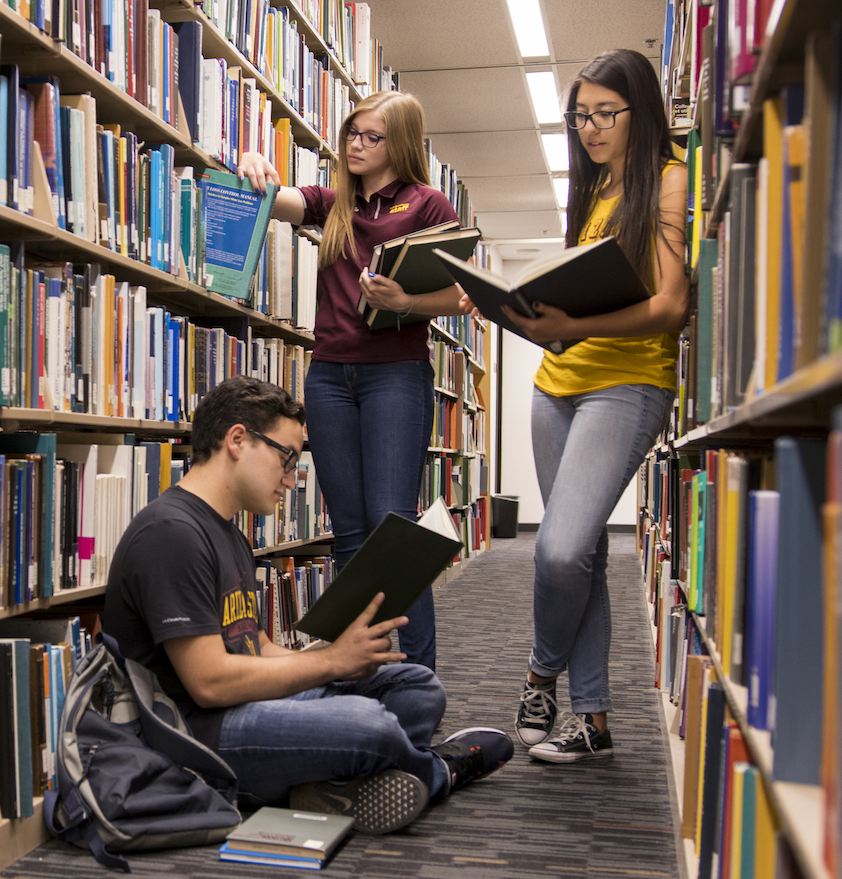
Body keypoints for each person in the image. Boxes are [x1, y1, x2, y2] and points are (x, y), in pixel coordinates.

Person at [101, 376, 513, 834]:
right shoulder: (171, 532)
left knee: (417, 688)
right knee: (367, 725)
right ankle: (439, 771)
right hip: (194, 736)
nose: (293, 477)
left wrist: (334, 661)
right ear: (237, 440)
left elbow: (254, 647)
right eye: (288, 457)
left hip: (245, 708)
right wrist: (330, 663)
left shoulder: (229, 532)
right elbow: (210, 683)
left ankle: (318, 785)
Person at [472, 49, 689, 763]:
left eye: (605, 113)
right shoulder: (594, 190)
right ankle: (591, 721)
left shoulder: (669, 179)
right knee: (585, 552)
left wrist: (572, 326)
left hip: (627, 385)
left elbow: (669, 307)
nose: (590, 128)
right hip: (555, 387)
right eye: (581, 115)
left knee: (560, 549)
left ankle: (539, 674)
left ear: (642, 112)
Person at [235, 91, 466, 671]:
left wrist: (408, 300)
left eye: (372, 137)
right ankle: (363, 669)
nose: (357, 145)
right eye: (352, 135)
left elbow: (464, 295)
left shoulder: (428, 204)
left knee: (394, 530)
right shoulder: (333, 203)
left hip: (395, 374)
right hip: (331, 377)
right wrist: (253, 163)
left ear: (401, 143)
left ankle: (417, 674)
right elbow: (276, 199)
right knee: (350, 535)